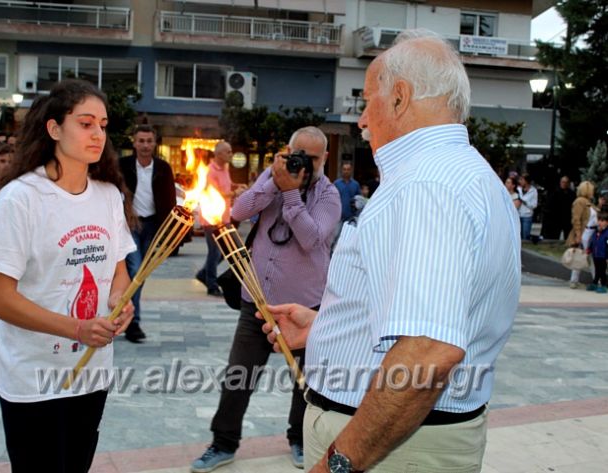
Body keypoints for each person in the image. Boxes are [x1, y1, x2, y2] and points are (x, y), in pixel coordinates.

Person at [258, 31, 521, 473]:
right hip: (414, 438)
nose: (362, 119)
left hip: (391, 449)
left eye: (367, 101)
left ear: (399, 98)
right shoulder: (464, 174)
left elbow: (428, 351)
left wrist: (339, 463)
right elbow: (436, 314)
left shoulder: (424, 186)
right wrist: (328, 329)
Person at [0, 79, 136, 473]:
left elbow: (118, 273)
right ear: (54, 129)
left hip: (91, 371)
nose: (98, 133)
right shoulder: (21, 198)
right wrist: (76, 329)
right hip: (34, 376)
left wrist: (121, 301)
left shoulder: (107, 195)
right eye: (85, 123)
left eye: (103, 124)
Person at [191, 127, 341, 472]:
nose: (304, 163)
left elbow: (311, 238)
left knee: (305, 382)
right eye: (298, 154)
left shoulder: (328, 196)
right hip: (256, 301)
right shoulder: (272, 178)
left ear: (325, 159)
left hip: (306, 306)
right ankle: (223, 443)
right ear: (286, 151)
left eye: (313, 158)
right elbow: (238, 211)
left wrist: (291, 195)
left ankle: (300, 439)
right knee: (238, 376)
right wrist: (274, 182)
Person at [118, 125, 176, 343]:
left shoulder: (163, 168)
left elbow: (170, 201)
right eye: (140, 141)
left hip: (153, 225)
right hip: (130, 224)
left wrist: (169, 235)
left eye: (149, 141)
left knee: (141, 274)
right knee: (135, 269)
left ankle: (127, 316)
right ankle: (133, 323)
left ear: (154, 143)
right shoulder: (123, 165)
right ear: (134, 142)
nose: (144, 145)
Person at [195, 141, 247, 296]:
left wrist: (236, 185)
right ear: (218, 154)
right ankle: (211, 285)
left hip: (223, 218)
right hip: (211, 218)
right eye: (228, 152)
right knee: (214, 252)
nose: (231, 154)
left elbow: (227, 185)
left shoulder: (225, 168)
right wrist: (235, 193)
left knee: (226, 252)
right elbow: (214, 195)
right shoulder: (210, 171)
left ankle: (204, 274)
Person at [567, 181, 597, 289]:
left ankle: (575, 280)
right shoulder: (580, 202)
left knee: (586, 256)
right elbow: (576, 219)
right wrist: (578, 234)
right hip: (585, 233)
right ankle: (594, 280)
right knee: (586, 256)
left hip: (591, 233)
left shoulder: (589, 202)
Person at [542, 176, 575, 240]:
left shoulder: (571, 194)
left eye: (566, 182)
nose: (564, 184)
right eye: (563, 182)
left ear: (568, 183)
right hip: (556, 218)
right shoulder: (555, 192)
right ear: (560, 182)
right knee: (554, 235)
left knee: (567, 235)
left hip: (567, 218)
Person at [586, 212, 608, 293]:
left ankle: (604, 285)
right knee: (597, 270)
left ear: (607, 222)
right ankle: (594, 283)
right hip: (596, 254)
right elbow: (593, 241)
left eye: (602, 221)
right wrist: (589, 249)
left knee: (602, 271)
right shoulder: (596, 231)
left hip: (603, 255)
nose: (600, 222)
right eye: (599, 220)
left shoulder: (607, 233)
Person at [517, 173, 538, 240]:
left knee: (525, 236)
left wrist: (525, 202)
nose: (520, 181)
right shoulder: (518, 189)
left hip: (527, 216)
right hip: (517, 215)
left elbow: (534, 205)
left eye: (522, 180)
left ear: (526, 181)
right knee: (518, 235)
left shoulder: (533, 191)